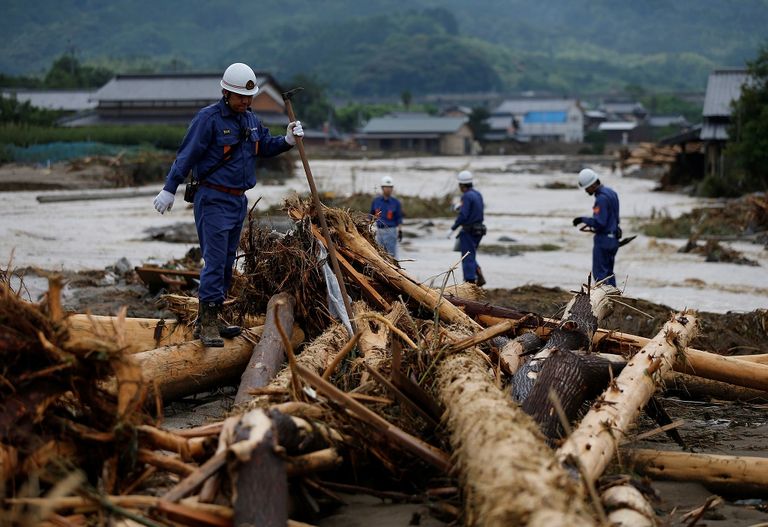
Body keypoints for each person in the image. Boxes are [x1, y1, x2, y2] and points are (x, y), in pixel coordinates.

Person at [152, 62, 304, 347]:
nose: (245, 101)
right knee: (215, 261)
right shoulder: (208, 119)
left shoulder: (250, 120)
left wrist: (286, 140)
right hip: (213, 199)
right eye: (239, 97)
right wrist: (169, 188)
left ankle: (216, 318)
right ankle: (206, 324)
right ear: (225, 92)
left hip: (237, 200)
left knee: (226, 265)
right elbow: (185, 156)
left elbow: (264, 146)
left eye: (249, 97)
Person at [572, 168, 621, 287]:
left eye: (586, 188)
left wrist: (583, 219)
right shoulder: (611, 193)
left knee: (600, 275)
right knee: (609, 273)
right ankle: (614, 300)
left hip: (603, 240)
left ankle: (604, 302)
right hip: (614, 238)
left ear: (593, 185)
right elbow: (614, 217)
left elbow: (600, 223)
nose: (586, 191)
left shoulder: (601, 199)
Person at [448, 170, 486, 286]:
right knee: (471, 254)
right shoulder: (477, 194)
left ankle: (469, 283)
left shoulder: (466, 196)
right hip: (479, 230)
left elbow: (464, 216)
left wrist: (452, 228)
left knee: (467, 257)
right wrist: (461, 207)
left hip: (469, 231)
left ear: (462, 185)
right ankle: (478, 272)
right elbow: (475, 211)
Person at [370, 175, 403, 257]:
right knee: (379, 254)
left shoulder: (396, 202)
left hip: (391, 231)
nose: (388, 189)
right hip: (379, 231)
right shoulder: (376, 201)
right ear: (382, 188)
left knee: (391, 255)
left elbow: (399, 218)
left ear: (392, 188)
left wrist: (400, 231)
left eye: (390, 187)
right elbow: (371, 215)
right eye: (386, 187)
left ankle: (394, 269)